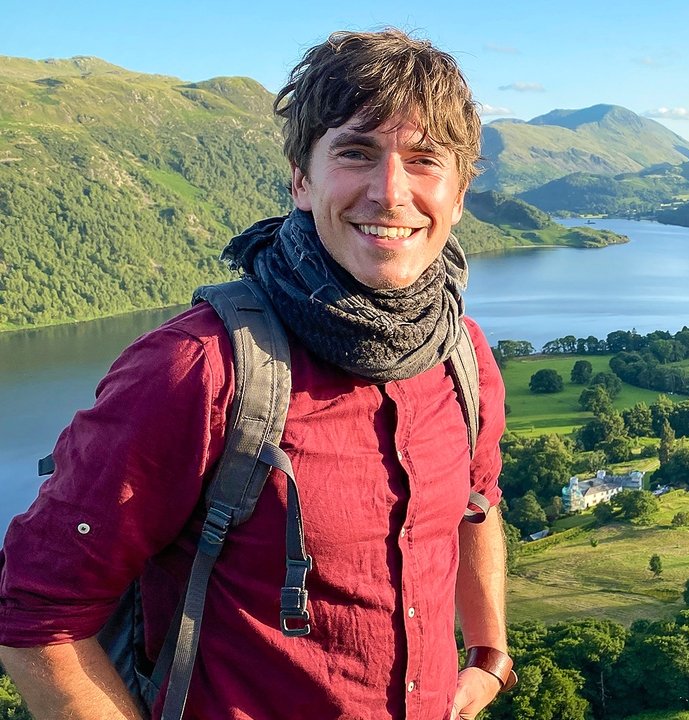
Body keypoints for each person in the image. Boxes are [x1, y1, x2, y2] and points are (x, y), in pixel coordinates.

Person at [0, 29, 511, 719]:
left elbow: (476, 504)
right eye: (356, 152)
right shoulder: (198, 369)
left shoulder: (462, 354)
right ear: (302, 179)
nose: (391, 193)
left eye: (424, 161)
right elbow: (37, 612)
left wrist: (490, 656)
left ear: (460, 192)